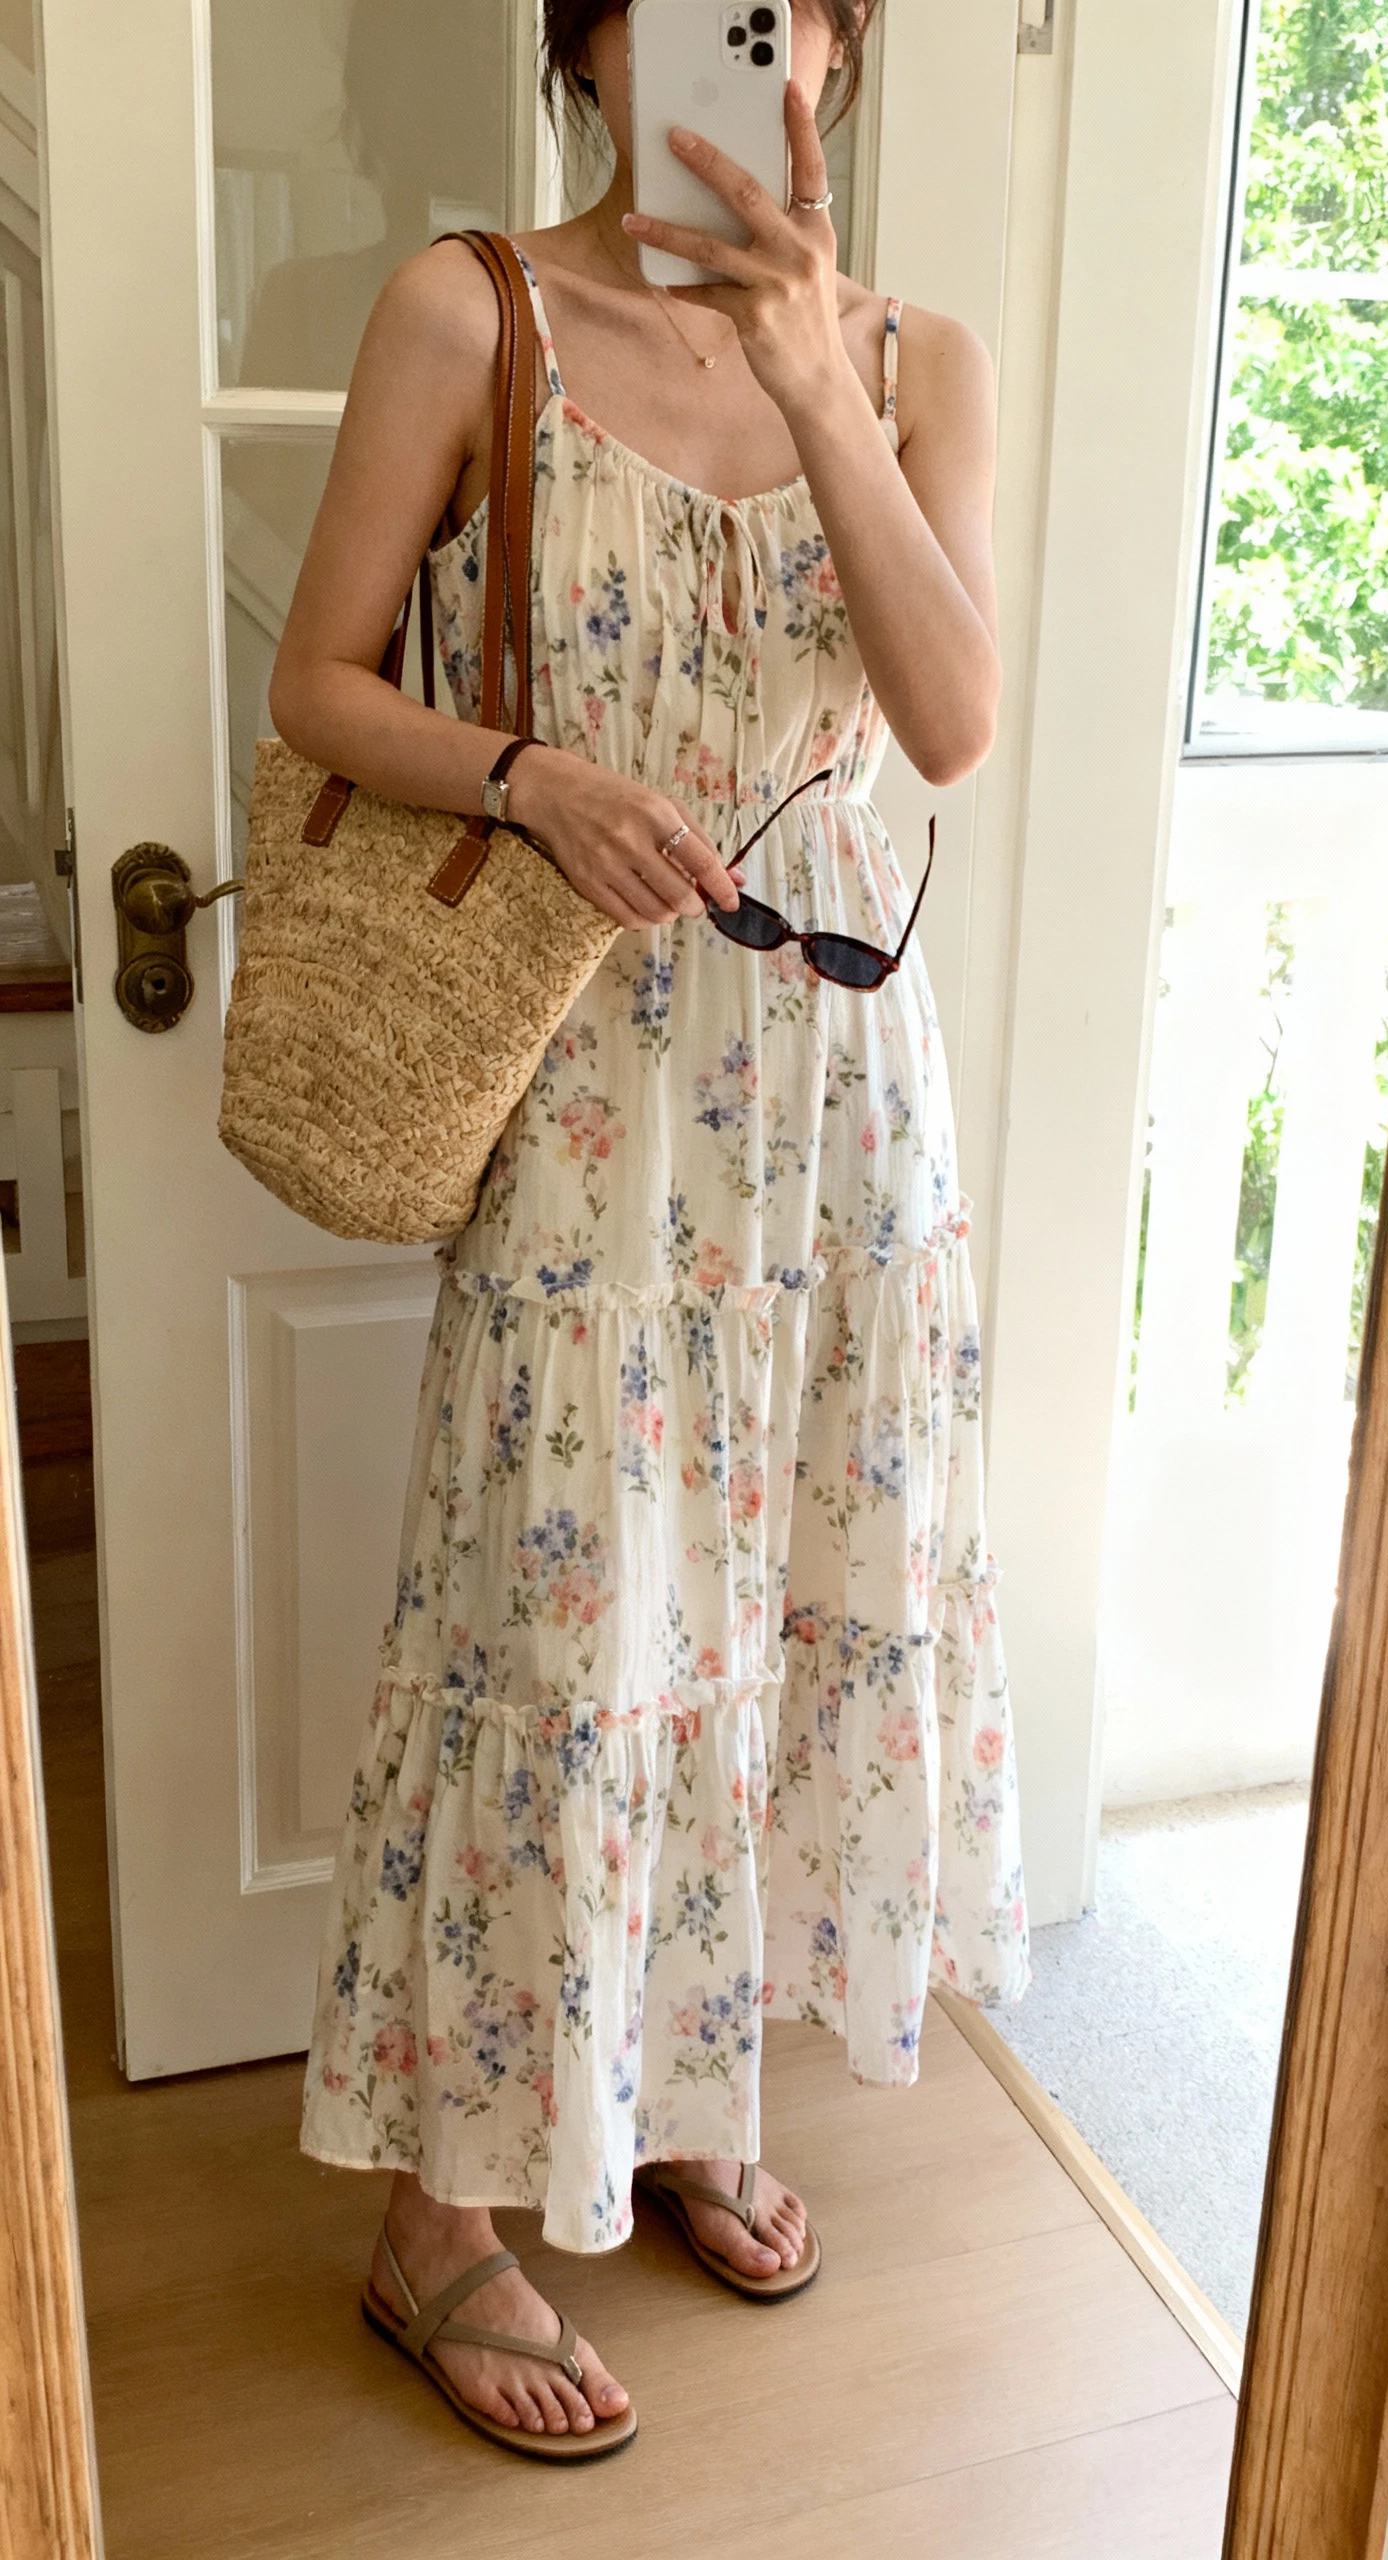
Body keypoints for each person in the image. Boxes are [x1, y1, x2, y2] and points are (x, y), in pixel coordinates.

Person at [271, 0, 1028, 2463]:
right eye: (704, 7)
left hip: (838, 1117)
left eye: (796, 7)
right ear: (598, 46)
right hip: (591, 1100)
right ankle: (436, 2215)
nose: (762, 41)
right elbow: (319, 684)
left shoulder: (921, 362)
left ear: (835, 49)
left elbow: (950, 715)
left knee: (785, 1591)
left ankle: (690, 2074)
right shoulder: (463, 308)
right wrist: (528, 773)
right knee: (569, 1612)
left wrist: (821, 381)